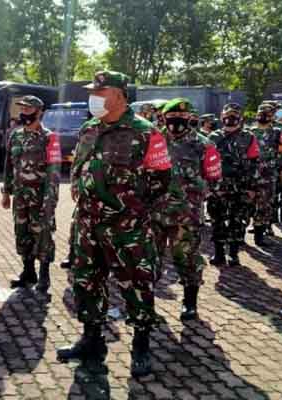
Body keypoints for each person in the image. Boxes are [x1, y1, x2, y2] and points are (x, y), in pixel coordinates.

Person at [56, 71, 171, 378]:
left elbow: (161, 180)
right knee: (86, 281)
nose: (93, 97)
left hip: (126, 228)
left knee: (136, 284)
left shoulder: (145, 132)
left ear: (119, 95)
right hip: (87, 223)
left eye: (100, 92)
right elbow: (79, 167)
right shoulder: (89, 128)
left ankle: (141, 345)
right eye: (92, 92)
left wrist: (131, 210)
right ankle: (92, 340)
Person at [152, 98, 221, 320]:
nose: (176, 122)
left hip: (186, 216)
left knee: (187, 259)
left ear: (189, 118)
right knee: (149, 259)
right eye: (171, 117)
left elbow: (215, 178)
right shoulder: (152, 140)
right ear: (164, 118)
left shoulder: (203, 144)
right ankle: (147, 304)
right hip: (154, 213)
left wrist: (195, 196)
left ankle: (190, 303)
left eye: (181, 117)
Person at [1, 95, 61, 294]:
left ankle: (44, 276)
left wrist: (50, 200)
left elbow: (54, 172)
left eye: (28, 109)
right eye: (22, 109)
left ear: (39, 111)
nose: (24, 113)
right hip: (20, 196)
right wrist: (6, 191)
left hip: (41, 196)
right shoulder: (15, 136)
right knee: (22, 233)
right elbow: (8, 166)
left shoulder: (49, 137)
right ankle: (28, 272)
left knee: (43, 235)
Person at [207, 103, 261, 266]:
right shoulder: (213, 137)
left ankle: (233, 253)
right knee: (217, 220)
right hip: (218, 187)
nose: (230, 118)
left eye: (234, 115)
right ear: (221, 117)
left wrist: (252, 187)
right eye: (227, 115)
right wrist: (208, 187)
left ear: (240, 118)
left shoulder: (248, 137)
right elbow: (206, 162)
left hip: (241, 186)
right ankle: (218, 253)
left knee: (237, 221)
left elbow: (254, 163)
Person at [249, 103, 282, 246]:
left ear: (272, 116)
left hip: (268, 174)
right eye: (261, 113)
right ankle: (240, 235)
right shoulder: (248, 132)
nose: (264, 116)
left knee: (265, 204)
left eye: (267, 114)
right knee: (247, 204)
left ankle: (260, 235)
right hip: (250, 174)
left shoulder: (277, 132)